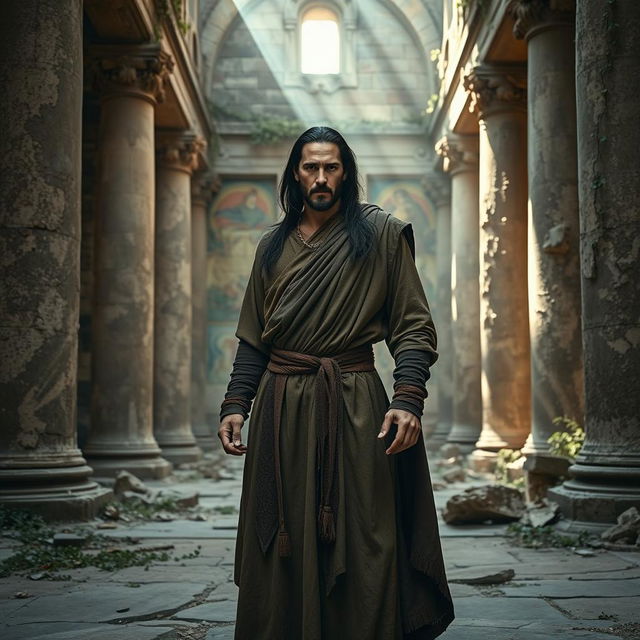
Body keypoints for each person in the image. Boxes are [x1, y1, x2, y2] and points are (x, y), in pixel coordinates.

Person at [218, 126, 454, 639]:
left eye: (331, 167)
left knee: (368, 533)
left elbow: (413, 325)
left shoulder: (383, 234)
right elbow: (255, 338)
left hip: (354, 402)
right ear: (295, 174)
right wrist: (237, 402)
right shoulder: (270, 247)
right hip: (281, 408)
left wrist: (408, 397)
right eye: (310, 167)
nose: (321, 177)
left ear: (346, 172)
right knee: (281, 533)